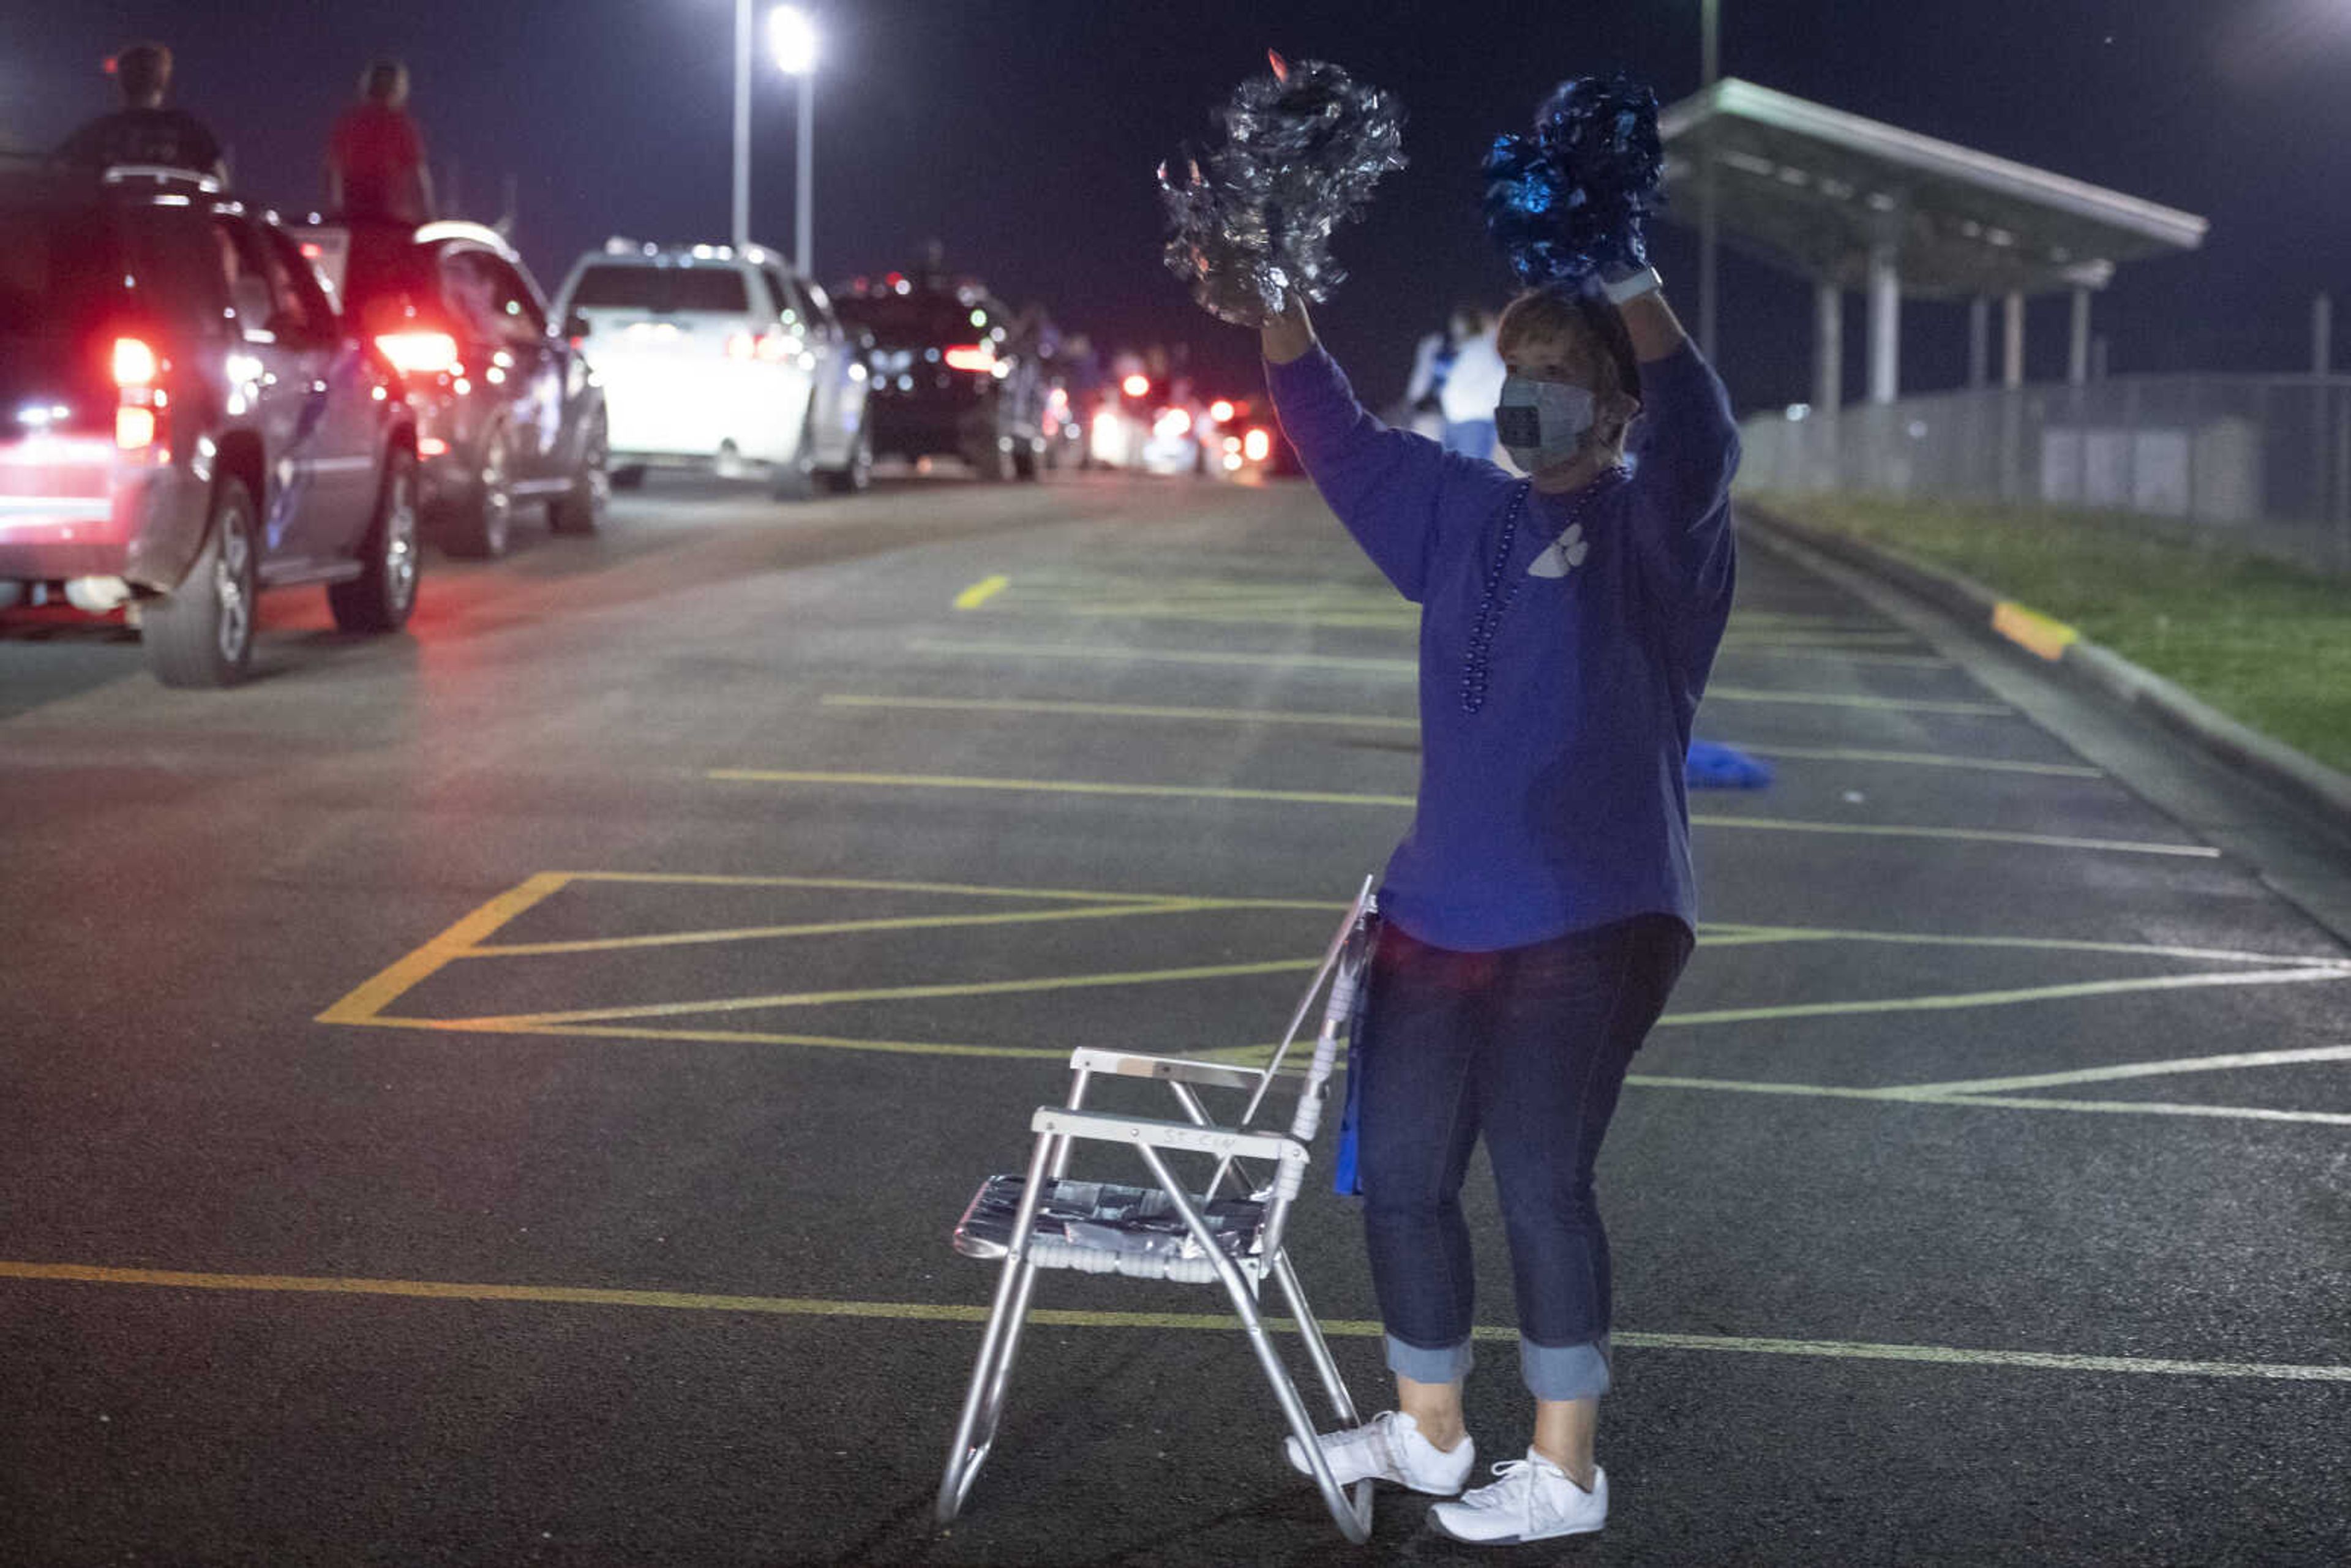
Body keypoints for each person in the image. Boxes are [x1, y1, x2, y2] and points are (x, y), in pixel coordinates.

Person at [1255, 264, 1736, 1545]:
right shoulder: (1457, 509)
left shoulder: (1660, 535)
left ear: (1618, 410)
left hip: (1599, 906)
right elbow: (1330, 424)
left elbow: (1707, 436)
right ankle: (1428, 1428)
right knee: (1404, 1172)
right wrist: (1271, 287)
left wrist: (1628, 272)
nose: (1531, 398)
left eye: (1563, 377)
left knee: (1539, 1172)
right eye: (1518, 370)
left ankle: (1565, 1466)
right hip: (1435, 904)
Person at [53, 42, 227, 183]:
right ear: (163, 81)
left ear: (120, 82)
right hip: (175, 225)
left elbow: (57, 171)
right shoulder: (189, 129)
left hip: (107, 224)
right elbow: (221, 184)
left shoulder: (97, 131)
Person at [326, 58, 433, 223]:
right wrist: (429, 215)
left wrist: (335, 210)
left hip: (355, 212)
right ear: (399, 88)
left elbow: (332, 170)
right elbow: (418, 174)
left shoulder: (350, 122)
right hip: (394, 216)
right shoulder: (401, 124)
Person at [1437, 306, 1504, 460]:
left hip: (1476, 421)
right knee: (1448, 471)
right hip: (1453, 418)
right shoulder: (1474, 346)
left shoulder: (1495, 345)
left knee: (1469, 473)